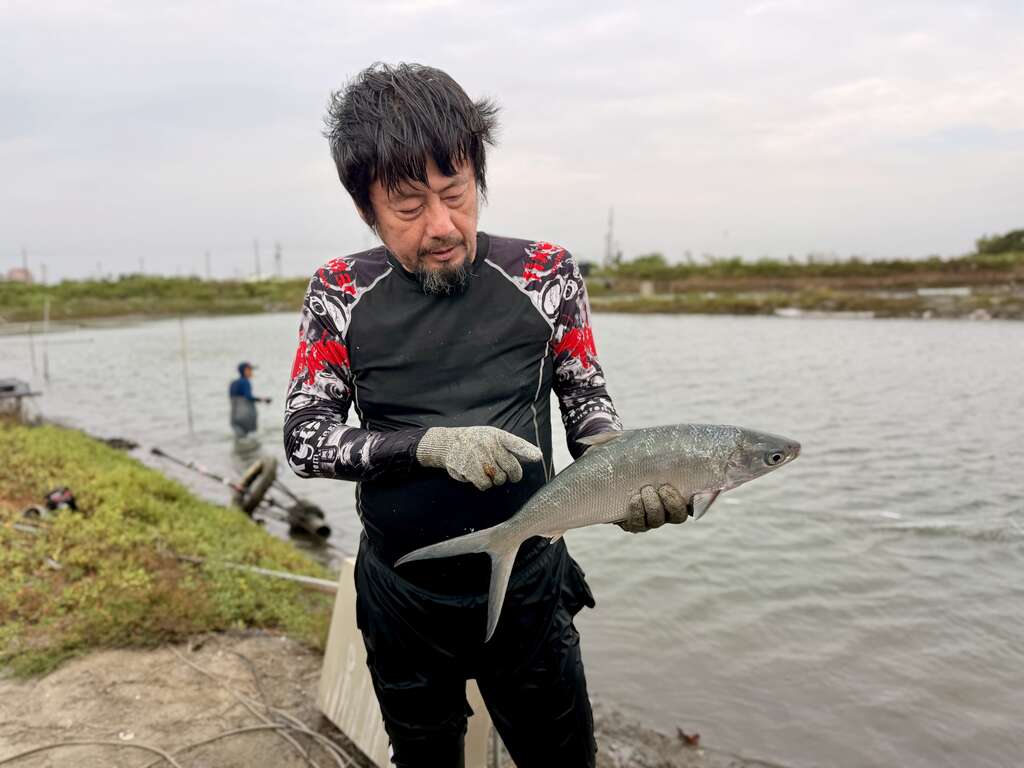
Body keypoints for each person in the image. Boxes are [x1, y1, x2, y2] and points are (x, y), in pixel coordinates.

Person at [283, 63, 688, 767]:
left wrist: (626, 483)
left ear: (478, 177)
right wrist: (429, 446)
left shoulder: (546, 274)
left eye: (456, 193)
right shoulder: (340, 291)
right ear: (365, 210)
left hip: (531, 588)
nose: (442, 226)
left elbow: (589, 408)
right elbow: (306, 441)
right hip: (402, 594)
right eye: (408, 208)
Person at [229, 361, 271, 438]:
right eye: (250, 370)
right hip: (246, 416)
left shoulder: (233, 383)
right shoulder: (245, 382)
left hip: (234, 416)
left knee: (240, 439)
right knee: (249, 439)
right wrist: (263, 400)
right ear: (245, 371)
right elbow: (248, 397)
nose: (251, 372)